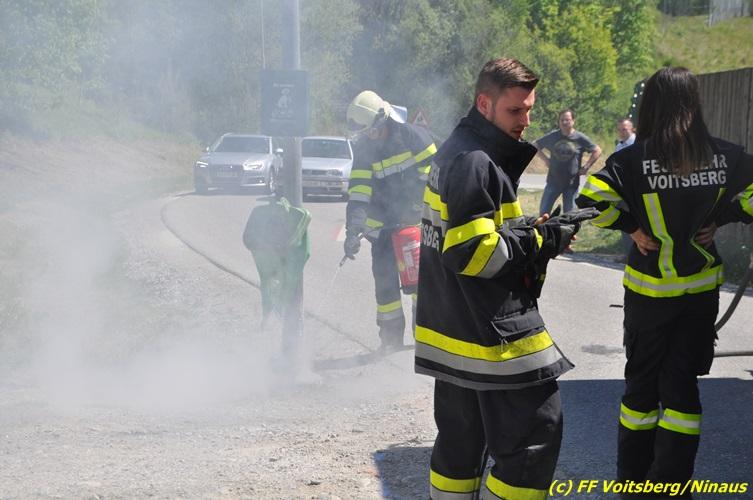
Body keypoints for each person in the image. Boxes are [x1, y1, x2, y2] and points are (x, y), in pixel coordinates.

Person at [576, 66, 753, 496]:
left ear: (651, 105)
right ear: (694, 104)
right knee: (682, 389)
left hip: (649, 296)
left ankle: (634, 485)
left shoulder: (632, 160)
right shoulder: (725, 155)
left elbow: (590, 201)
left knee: (641, 391)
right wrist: (724, 216)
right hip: (700, 294)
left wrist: (633, 228)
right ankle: (673, 487)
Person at [416, 58, 583, 499]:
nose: (526, 121)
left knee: (460, 448)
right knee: (535, 439)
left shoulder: (457, 149)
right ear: (484, 103)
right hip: (491, 335)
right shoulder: (475, 160)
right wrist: (544, 239)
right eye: (515, 111)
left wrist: (526, 229)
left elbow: (471, 231)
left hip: (455, 334)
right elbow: (472, 252)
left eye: (529, 110)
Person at [343, 90, 437, 353]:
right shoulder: (364, 150)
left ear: (382, 119)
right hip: (381, 229)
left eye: (370, 131)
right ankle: (390, 340)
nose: (369, 137)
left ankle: (425, 338)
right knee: (385, 287)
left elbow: (436, 177)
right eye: (364, 133)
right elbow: (359, 194)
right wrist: (353, 231)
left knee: (420, 283)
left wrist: (416, 206)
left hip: (414, 225)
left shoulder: (414, 137)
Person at [535, 109, 602, 215]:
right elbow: (535, 145)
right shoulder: (553, 136)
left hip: (571, 183)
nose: (564, 122)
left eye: (567, 120)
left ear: (573, 121)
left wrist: (586, 167)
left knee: (570, 216)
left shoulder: (579, 137)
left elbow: (597, 150)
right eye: (562, 120)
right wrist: (546, 160)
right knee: (543, 213)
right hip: (553, 181)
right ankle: (545, 226)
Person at [615, 118, 637, 261]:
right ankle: (628, 253)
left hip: (635, 190)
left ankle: (636, 254)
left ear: (632, 129)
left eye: (625, 129)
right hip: (623, 189)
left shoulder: (638, 144)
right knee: (624, 221)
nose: (622, 132)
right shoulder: (619, 145)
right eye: (620, 130)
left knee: (637, 221)